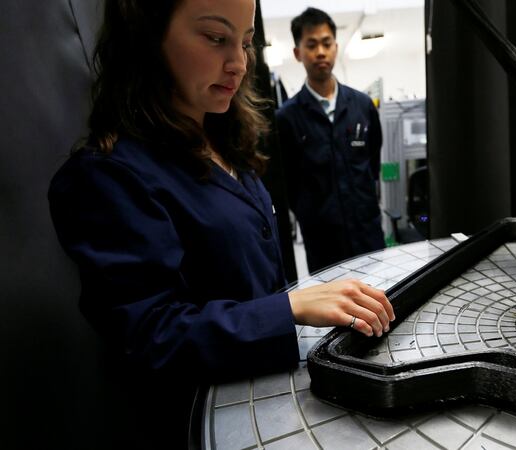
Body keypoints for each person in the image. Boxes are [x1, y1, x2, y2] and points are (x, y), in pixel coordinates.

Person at [47, 1, 394, 448]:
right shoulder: (109, 176)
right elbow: (150, 337)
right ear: (146, 39)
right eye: (215, 38)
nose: (238, 63)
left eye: (246, 43)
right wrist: (288, 309)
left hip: (267, 406)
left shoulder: (225, 143)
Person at [276, 7, 385, 273]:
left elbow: (372, 165)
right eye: (311, 45)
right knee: (333, 315)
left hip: (368, 238)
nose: (321, 52)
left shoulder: (362, 106)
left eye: (326, 43)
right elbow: (288, 185)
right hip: (323, 247)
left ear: (336, 47)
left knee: (382, 308)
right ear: (298, 52)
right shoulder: (286, 119)